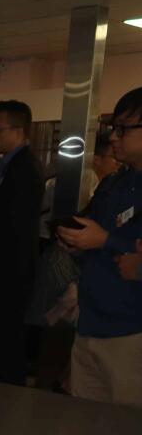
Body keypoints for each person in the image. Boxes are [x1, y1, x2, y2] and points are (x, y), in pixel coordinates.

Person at [57, 87, 142, 406]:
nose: (114, 137)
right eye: (112, 128)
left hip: (131, 330)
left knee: (126, 426)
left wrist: (106, 241)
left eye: (123, 129)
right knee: (85, 422)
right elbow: (98, 233)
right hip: (91, 322)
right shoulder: (115, 183)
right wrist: (82, 243)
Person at [0, 100, 45, 385]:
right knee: (2, 337)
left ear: (18, 130)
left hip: (13, 266)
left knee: (10, 339)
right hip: (3, 264)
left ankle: (10, 393)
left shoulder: (25, 168)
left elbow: (16, 225)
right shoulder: (5, 165)